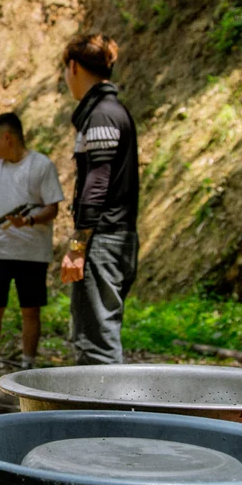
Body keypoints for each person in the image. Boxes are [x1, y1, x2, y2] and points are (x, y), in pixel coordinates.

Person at [59, 34, 140, 365]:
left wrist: (77, 247)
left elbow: (96, 183)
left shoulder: (102, 115)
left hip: (103, 242)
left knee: (97, 347)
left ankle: (107, 416)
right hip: (114, 239)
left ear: (74, 67)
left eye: (65, 71)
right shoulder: (109, 111)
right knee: (95, 338)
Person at [0, 113, 64, 385]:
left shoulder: (41, 165)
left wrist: (29, 220)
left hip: (32, 255)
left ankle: (28, 369)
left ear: (7, 137)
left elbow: (52, 207)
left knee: (30, 310)